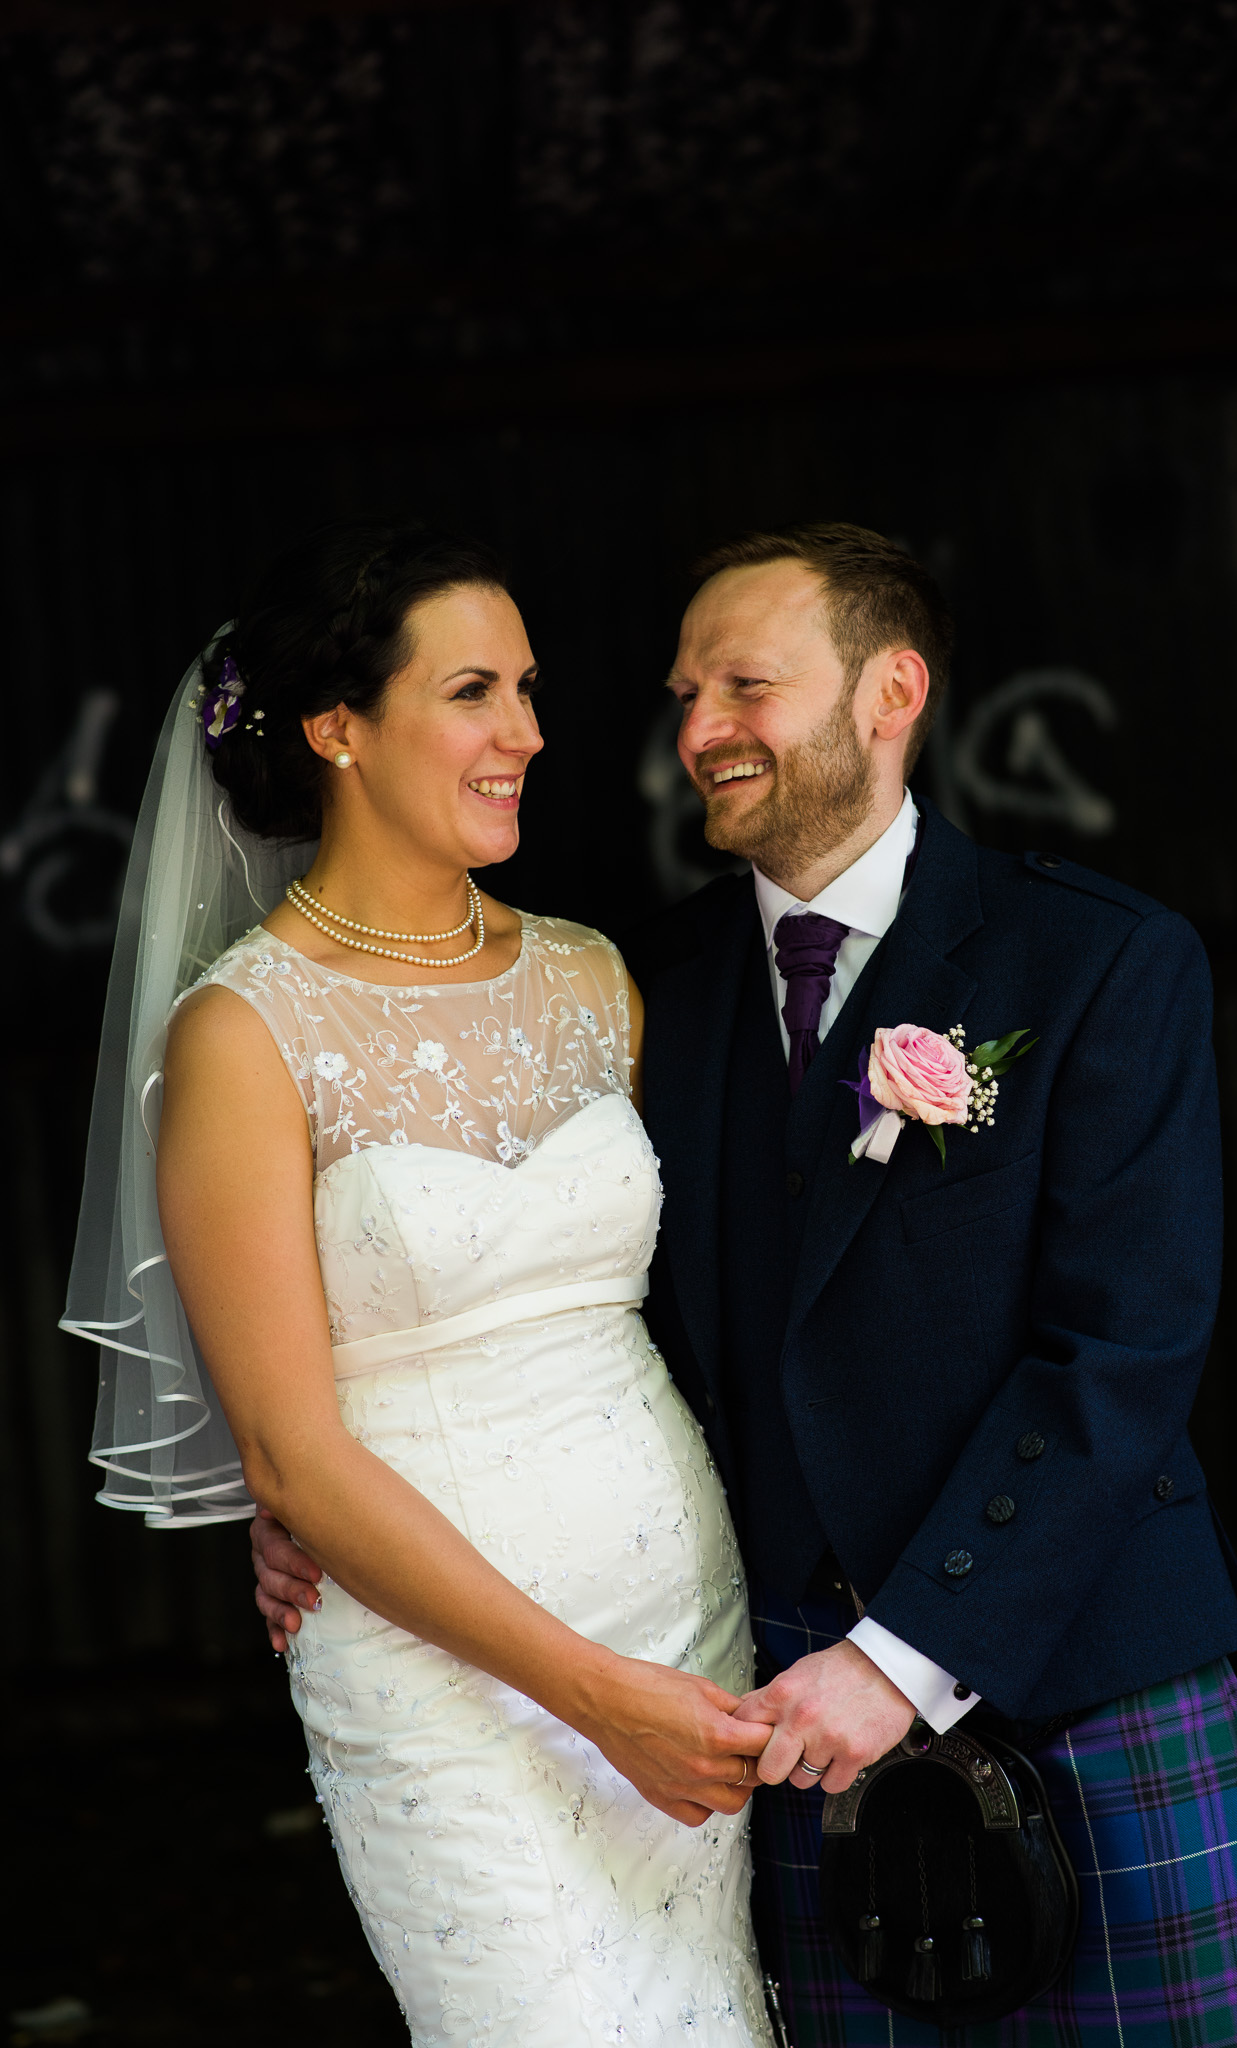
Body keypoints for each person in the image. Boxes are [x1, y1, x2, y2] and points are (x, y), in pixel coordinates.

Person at [254, 521, 1237, 2048]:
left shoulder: (1100, 959)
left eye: (746, 687)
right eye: (685, 694)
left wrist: (903, 1660)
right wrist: (310, 1479)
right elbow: (563, 1306)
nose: (700, 731)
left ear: (890, 691)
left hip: (1083, 1678)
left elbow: (1124, 1357)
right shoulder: (646, 993)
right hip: (779, 1718)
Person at [68, 517, 781, 2048]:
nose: (526, 732)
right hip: (447, 1679)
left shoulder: (595, 976)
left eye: (526, 690)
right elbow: (289, 1449)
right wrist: (597, 1698)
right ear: (338, 727)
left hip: (685, 1621)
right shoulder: (241, 1036)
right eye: (474, 691)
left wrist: (656, 1682)